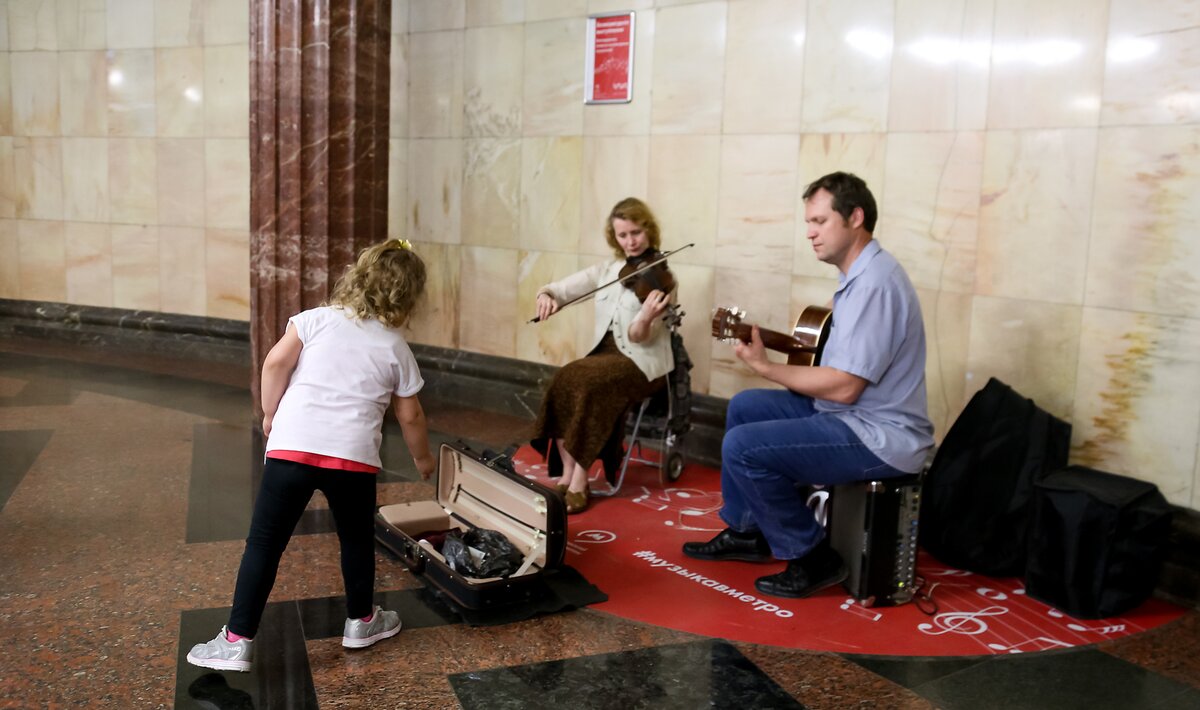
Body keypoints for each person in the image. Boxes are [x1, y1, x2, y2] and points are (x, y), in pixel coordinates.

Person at [187, 238, 436, 672]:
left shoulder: (314, 321)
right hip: (352, 460)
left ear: (357, 278)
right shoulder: (396, 346)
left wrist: (270, 414)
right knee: (356, 539)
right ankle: (361, 621)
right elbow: (410, 415)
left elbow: (274, 364)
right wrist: (423, 460)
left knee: (264, 543)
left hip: (293, 448)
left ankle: (236, 640)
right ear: (408, 297)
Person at [682, 172, 934, 599]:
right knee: (744, 407)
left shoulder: (875, 284)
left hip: (879, 435)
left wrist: (766, 367)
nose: (810, 233)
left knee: (743, 446)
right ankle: (747, 533)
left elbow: (845, 387)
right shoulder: (858, 276)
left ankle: (814, 557)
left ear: (855, 218)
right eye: (808, 223)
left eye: (819, 221)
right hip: (847, 416)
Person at [531, 197, 675, 514]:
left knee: (591, 386)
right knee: (565, 378)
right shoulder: (608, 270)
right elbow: (563, 289)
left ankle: (580, 479)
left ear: (648, 230)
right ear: (614, 237)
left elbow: (640, 337)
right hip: (604, 354)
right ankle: (566, 473)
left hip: (641, 361)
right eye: (623, 235)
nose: (630, 241)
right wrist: (547, 294)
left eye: (636, 232)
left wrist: (645, 317)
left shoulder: (662, 278)